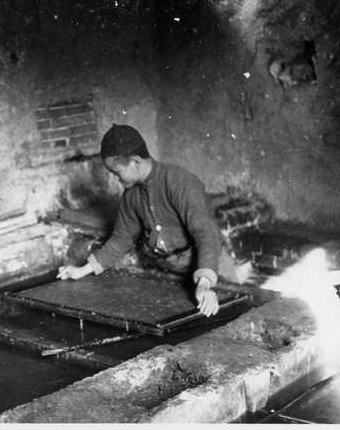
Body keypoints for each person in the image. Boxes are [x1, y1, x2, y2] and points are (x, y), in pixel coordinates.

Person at [58, 123, 225, 317]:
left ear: (135, 161)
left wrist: (204, 285)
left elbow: (206, 233)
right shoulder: (131, 196)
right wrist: (82, 270)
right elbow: (121, 239)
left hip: (203, 269)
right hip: (168, 271)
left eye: (116, 172)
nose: (115, 179)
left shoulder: (180, 183)